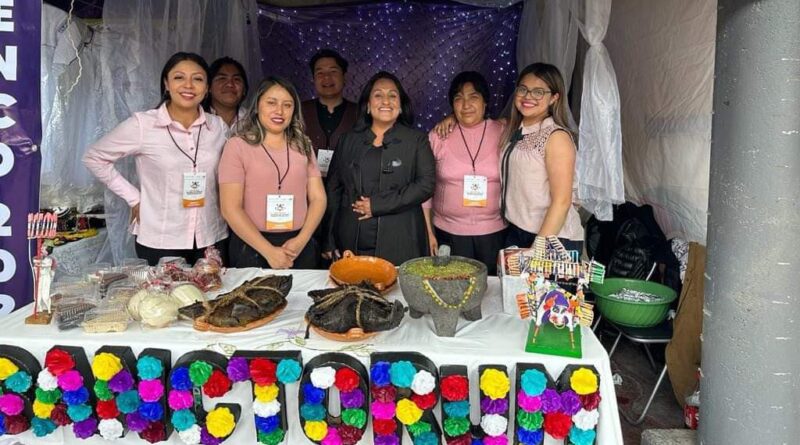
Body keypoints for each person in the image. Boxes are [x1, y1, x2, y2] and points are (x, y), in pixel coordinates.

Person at [84, 52, 228, 266]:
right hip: (160, 237)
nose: (188, 85)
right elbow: (94, 157)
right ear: (166, 84)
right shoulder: (143, 125)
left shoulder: (218, 127)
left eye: (197, 79)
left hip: (211, 235)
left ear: (207, 88)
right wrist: (134, 198)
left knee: (213, 288)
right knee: (165, 289)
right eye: (179, 77)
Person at [324, 71, 435, 265]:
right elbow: (334, 190)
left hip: (401, 239)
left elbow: (426, 185)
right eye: (378, 95)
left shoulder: (417, 140)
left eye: (392, 95)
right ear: (368, 105)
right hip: (350, 238)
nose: (386, 101)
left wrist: (377, 205)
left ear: (401, 106)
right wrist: (328, 238)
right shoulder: (347, 140)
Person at [219, 77, 326, 269]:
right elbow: (230, 208)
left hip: (298, 246)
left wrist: (301, 240)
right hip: (251, 246)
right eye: (271, 103)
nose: (279, 111)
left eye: (287, 105)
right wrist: (268, 251)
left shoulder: (303, 145)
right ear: (257, 106)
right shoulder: (237, 146)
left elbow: (318, 198)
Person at [422, 71, 507, 275]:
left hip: (494, 233)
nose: (466, 104)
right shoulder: (439, 135)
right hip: (448, 232)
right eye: (458, 98)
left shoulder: (504, 131)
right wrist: (428, 232)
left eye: (473, 97)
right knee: (452, 287)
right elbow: (424, 187)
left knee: (491, 288)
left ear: (485, 102)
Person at [500, 63, 584, 252]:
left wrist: (537, 249)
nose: (528, 96)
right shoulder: (515, 130)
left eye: (538, 92)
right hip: (518, 231)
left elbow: (562, 201)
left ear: (554, 97)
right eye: (523, 89)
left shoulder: (556, 137)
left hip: (552, 238)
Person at [300, 49, 358, 176]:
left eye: (333, 71)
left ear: (344, 77)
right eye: (320, 73)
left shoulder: (359, 113)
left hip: (348, 184)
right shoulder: (299, 111)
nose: (326, 77)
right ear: (313, 79)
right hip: (306, 183)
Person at [204, 57, 249, 134]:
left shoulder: (254, 121)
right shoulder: (197, 119)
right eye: (222, 78)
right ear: (209, 87)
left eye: (236, 79)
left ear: (244, 89)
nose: (230, 84)